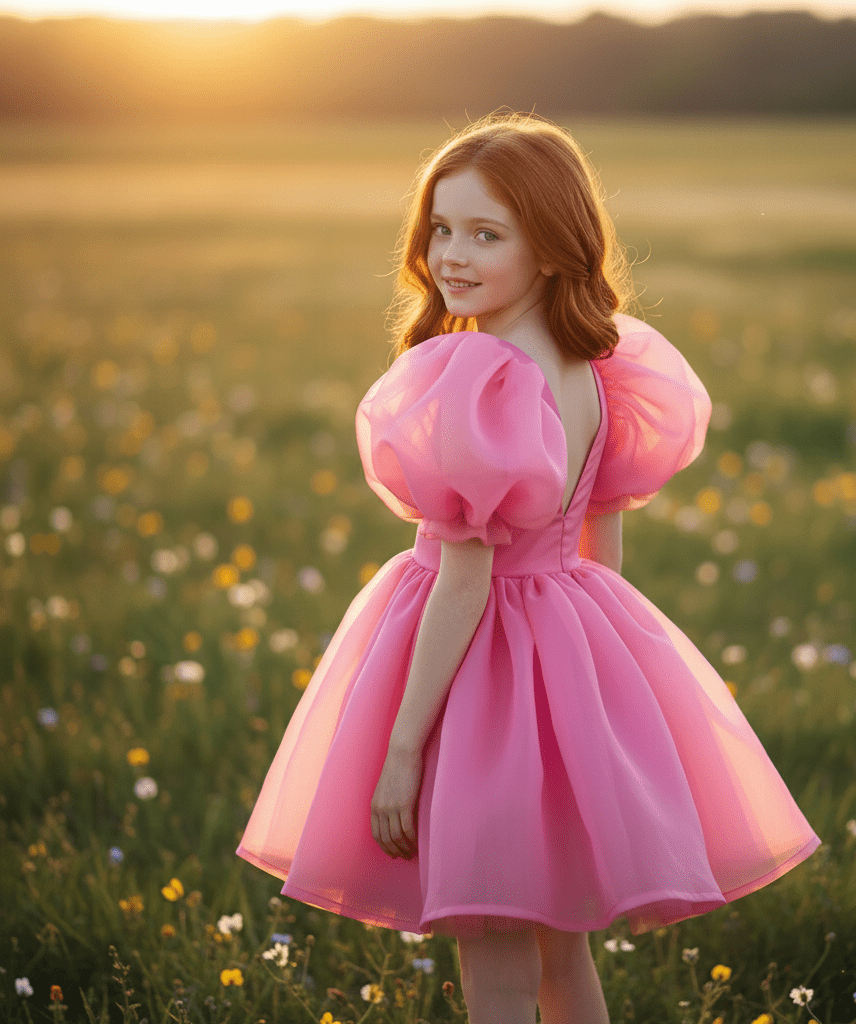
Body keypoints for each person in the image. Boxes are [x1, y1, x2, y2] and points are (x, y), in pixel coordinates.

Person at [237, 111, 821, 1024]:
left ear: (549, 247)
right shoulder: (598, 365)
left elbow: (466, 577)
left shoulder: (481, 375)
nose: (452, 256)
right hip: (563, 655)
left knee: (498, 966)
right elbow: (603, 537)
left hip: (479, 680)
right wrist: (594, 673)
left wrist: (402, 749)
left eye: (486, 234)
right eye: (440, 228)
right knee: (562, 951)